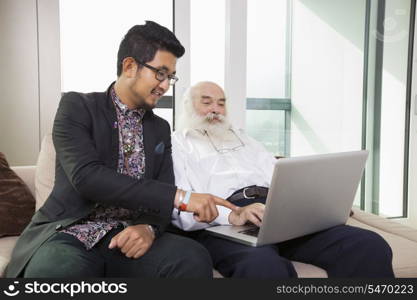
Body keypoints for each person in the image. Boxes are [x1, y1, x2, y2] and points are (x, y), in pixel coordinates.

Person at [5, 22, 236, 278]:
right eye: (160, 73)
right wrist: (182, 198)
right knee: (55, 272)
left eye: (170, 76)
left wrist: (148, 228)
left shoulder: (159, 128)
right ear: (129, 67)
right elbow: (87, 177)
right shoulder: (77, 106)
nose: (165, 85)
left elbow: (161, 190)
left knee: (191, 257)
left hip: (127, 237)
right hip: (69, 234)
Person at [171, 81, 395, 278]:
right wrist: (234, 214)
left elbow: (280, 175)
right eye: (207, 102)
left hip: (276, 211)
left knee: (368, 245)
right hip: (226, 221)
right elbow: (183, 210)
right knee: (262, 266)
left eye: (221, 103)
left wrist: (320, 204)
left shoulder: (245, 138)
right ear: (188, 106)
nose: (216, 110)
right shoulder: (177, 145)